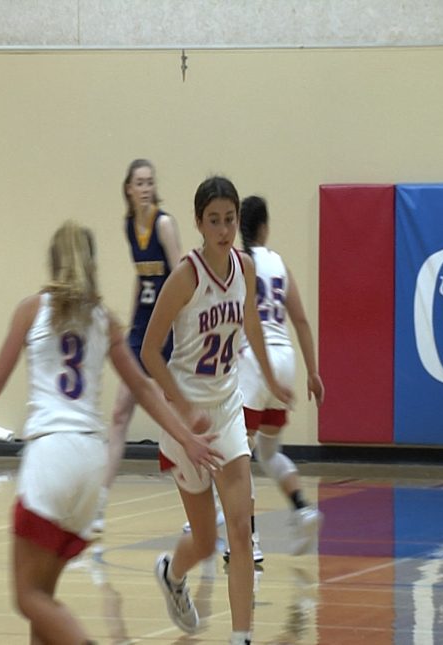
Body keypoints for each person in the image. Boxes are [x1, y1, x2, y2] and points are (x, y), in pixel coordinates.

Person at [0, 221, 222, 644]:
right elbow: (143, 389)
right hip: (91, 464)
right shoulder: (105, 320)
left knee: (26, 597)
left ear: (53, 260)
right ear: (92, 263)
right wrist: (185, 435)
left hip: (51, 457)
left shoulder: (31, 310)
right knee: (44, 598)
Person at [141, 176, 293, 645]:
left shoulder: (245, 267)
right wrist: (184, 409)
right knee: (206, 542)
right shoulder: (185, 277)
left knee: (242, 532)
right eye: (214, 221)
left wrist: (271, 378)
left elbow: (252, 325)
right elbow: (149, 352)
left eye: (230, 219)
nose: (224, 230)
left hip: (227, 409)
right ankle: (172, 574)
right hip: (187, 420)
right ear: (199, 223)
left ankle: (241, 637)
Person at [231, 195, 324, 560]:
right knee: (269, 453)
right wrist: (313, 372)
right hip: (284, 357)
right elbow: (300, 319)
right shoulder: (278, 262)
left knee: (239, 455)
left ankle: (249, 541)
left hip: (255, 361)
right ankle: (302, 508)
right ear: (265, 227)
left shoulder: (237, 263)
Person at [92, 159, 183, 534]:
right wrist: (130, 324)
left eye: (149, 182)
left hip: (166, 332)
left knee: (174, 420)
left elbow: (182, 278)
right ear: (128, 188)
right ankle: (99, 504)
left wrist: (182, 333)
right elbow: (140, 278)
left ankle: (206, 502)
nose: (145, 188)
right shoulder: (130, 226)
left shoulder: (164, 224)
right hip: (140, 330)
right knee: (119, 414)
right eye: (139, 182)